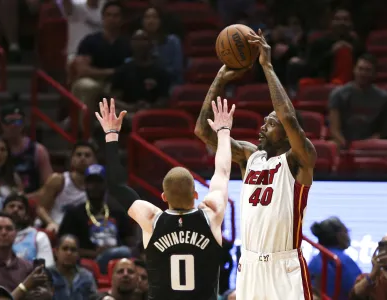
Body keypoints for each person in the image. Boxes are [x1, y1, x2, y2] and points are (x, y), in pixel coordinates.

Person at [195, 29, 316, 299]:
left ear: (287, 132)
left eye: (271, 124)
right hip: (248, 264)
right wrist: (219, 79)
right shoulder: (251, 157)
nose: (263, 127)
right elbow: (203, 131)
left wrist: (267, 66)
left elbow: (288, 116)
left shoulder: (300, 159)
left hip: (284, 266)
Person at [96, 97, 233, 300]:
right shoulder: (212, 214)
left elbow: (116, 186)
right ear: (196, 195)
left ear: (163, 196)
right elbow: (222, 172)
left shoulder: (151, 219)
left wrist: (111, 135)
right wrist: (223, 132)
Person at [37, 141, 97, 232]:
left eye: (87, 155)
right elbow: (40, 208)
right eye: (78, 155)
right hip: (55, 227)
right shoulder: (58, 180)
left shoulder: (97, 187)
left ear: (94, 161)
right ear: (72, 159)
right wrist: (50, 223)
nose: (82, 158)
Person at [308, 217, 361, 299]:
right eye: (346, 231)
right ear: (340, 235)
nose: (348, 235)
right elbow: (360, 291)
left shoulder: (313, 262)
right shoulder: (342, 261)